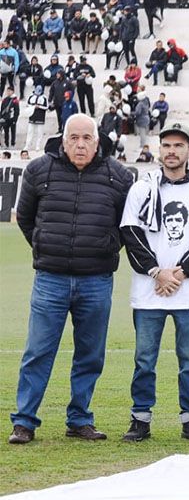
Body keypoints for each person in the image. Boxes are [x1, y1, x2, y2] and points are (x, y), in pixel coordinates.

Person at [9, 114, 134, 444]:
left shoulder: (119, 176)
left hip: (96, 280)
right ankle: (24, 421)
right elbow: (24, 217)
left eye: (86, 138)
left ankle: (79, 419)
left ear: (98, 140)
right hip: (50, 279)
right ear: (62, 140)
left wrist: (106, 247)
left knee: (90, 354)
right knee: (38, 351)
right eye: (73, 138)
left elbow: (126, 226)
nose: (80, 144)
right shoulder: (38, 170)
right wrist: (43, 244)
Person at [117, 122, 189, 442]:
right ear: (159, 151)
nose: (172, 151)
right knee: (144, 360)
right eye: (166, 146)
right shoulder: (142, 188)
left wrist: (179, 273)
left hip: (188, 294)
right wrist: (156, 273)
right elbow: (130, 233)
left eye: (178, 146)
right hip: (149, 293)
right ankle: (140, 418)